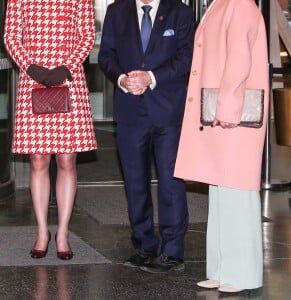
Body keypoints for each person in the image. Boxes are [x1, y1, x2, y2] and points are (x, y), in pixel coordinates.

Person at [174, 0, 269, 293]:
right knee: (221, 194)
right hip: (221, 115)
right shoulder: (222, 4)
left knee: (237, 194)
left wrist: (227, 110)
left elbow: (239, 62)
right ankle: (221, 269)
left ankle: (242, 274)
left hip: (234, 117)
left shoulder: (240, 5)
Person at [98, 0, 194, 273]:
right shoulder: (117, 11)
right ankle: (143, 246)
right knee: (135, 181)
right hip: (130, 111)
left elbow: (186, 57)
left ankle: (173, 252)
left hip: (168, 111)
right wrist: (122, 79)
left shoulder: (181, 13)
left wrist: (151, 77)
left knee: (170, 180)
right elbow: (107, 56)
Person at [4, 0, 96, 260]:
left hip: (69, 76)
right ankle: (42, 232)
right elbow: (11, 35)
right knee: (39, 159)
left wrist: (66, 66)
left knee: (67, 159)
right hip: (32, 77)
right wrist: (31, 67)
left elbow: (87, 34)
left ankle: (63, 233)